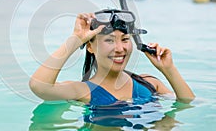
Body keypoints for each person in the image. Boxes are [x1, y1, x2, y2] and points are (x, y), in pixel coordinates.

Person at [29, 9, 195, 106]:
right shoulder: (83, 91)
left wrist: (169, 69)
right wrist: (76, 40)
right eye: (109, 40)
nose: (120, 49)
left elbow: (187, 103)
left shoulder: (150, 83)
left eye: (125, 39)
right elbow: (39, 87)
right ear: (90, 46)